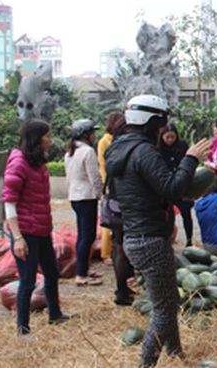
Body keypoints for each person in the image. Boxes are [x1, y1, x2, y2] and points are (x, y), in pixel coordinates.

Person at [105, 94, 211, 367]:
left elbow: (148, 190)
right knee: (164, 310)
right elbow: (171, 188)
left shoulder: (119, 149)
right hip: (150, 240)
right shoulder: (144, 151)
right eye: (161, 124)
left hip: (135, 236)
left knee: (167, 301)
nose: (163, 129)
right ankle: (146, 365)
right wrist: (190, 160)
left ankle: (175, 353)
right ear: (151, 121)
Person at [3, 119, 75, 335]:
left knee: (52, 273)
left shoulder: (37, 161)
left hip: (41, 230)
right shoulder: (18, 162)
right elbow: (9, 202)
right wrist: (18, 237)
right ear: (36, 138)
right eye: (47, 136)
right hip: (25, 232)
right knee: (28, 281)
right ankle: (23, 329)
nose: (50, 140)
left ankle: (55, 314)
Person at [98, 110, 135, 306]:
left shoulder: (114, 146)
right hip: (124, 203)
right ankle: (121, 290)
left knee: (119, 244)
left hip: (115, 199)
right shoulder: (125, 147)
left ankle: (123, 287)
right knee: (121, 246)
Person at [64, 119, 105, 287]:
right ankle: (81, 275)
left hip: (75, 197)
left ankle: (84, 268)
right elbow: (94, 177)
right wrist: (102, 194)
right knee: (87, 237)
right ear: (86, 135)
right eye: (93, 132)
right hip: (87, 197)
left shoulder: (70, 152)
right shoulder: (88, 151)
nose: (95, 136)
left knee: (82, 235)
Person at [158, 124, 195, 246]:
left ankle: (189, 240)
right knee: (168, 214)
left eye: (172, 137)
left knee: (186, 212)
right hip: (166, 183)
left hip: (181, 182)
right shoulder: (158, 148)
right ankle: (167, 239)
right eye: (167, 137)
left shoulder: (182, 145)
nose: (170, 140)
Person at [97, 110, 126, 267]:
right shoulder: (105, 141)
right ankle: (106, 253)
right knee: (111, 219)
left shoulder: (116, 139)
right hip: (111, 184)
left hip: (119, 184)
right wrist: (106, 184)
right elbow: (104, 165)